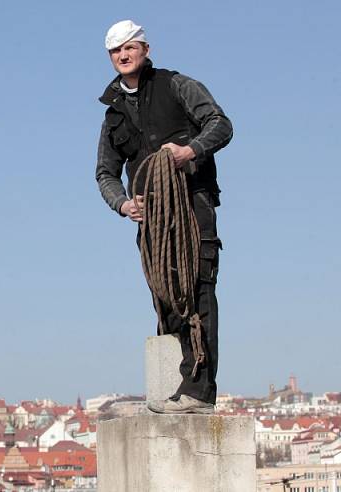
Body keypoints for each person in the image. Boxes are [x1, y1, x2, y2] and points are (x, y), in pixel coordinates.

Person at [95, 20, 233, 414]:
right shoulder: (113, 114)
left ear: (145, 49)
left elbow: (221, 125)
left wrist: (189, 152)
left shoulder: (177, 86)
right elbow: (105, 172)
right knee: (166, 297)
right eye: (115, 51)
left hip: (193, 206)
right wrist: (123, 204)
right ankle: (175, 386)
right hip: (152, 218)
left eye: (130, 47)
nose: (123, 55)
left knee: (198, 291)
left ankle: (199, 391)